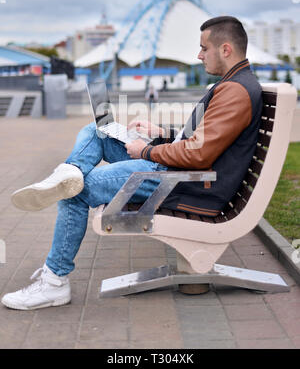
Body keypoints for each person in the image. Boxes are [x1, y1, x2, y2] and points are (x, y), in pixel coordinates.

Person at [1, 16, 262, 310]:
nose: (199, 55)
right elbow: (202, 142)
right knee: (98, 130)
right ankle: (69, 168)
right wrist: (162, 134)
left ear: (226, 49)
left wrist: (146, 152)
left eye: (204, 48)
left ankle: (54, 283)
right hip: (179, 170)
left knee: (74, 190)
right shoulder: (234, 85)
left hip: (187, 183)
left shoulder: (235, 92)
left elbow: (199, 155)